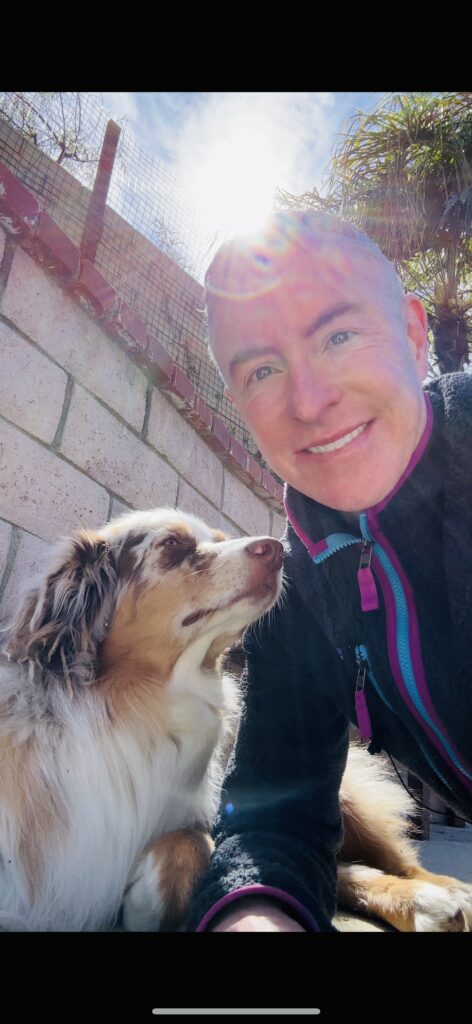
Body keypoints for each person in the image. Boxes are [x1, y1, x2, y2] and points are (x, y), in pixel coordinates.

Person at [185, 209, 472, 933]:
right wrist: (251, 918)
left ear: (413, 333)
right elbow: (275, 814)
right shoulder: (300, 584)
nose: (309, 403)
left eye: (338, 336)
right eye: (262, 370)